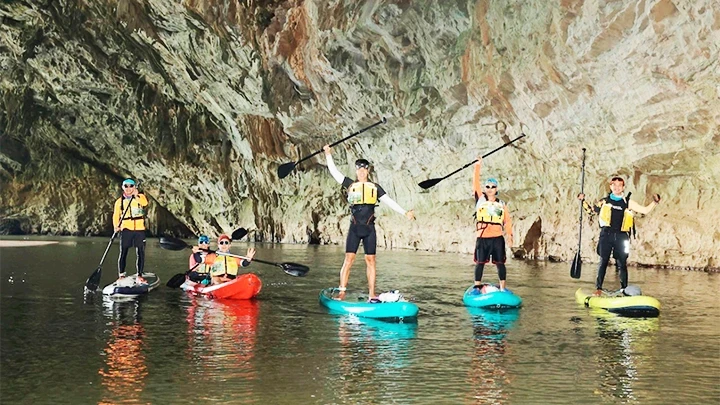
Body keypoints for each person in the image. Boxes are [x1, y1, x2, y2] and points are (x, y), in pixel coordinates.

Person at [323, 144, 415, 301]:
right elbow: (334, 172)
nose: (361, 172)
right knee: (349, 259)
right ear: (356, 171)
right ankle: (342, 291)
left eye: (364, 169)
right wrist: (328, 154)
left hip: (369, 229)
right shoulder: (350, 184)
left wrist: (405, 212)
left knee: (371, 260)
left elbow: (389, 201)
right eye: (359, 169)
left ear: (368, 171)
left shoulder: (375, 187)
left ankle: (372, 294)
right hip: (355, 228)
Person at [578, 176, 661, 296]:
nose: (617, 188)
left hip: (622, 236)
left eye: (619, 185)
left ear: (623, 187)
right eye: (614, 185)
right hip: (606, 235)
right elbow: (591, 211)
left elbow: (645, 210)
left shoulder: (627, 202)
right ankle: (598, 288)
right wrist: (582, 201)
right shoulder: (604, 201)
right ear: (611, 187)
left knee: (622, 263)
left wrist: (655, 202)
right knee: (603, 261)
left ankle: (624, 289)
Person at [471, 157, 513, 292]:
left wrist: (510, 235)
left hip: (497, 238)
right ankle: (477, 287)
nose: (490, 189)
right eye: (487, 187)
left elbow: (507, 220)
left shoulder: (501, 204)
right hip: (483, 237)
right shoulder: (480, 199)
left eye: (493, 187)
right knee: (480, 263)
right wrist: (477, 166)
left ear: (496, 189)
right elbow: (475, 183)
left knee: (500, 264)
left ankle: (502, 288)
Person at [113, 178, 149, 283]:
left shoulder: (140, 197)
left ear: (134, 187)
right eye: (126, 186)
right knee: (123, 252)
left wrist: (136, 195)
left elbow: (144, 203)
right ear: (123, 187)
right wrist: (116, 226)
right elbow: (116, 215)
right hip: (126, 228)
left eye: (131, 186)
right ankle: (121, 275)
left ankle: (139, 275)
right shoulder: (119, 202)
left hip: (139, 229)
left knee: (140, 252)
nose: (128, 188)